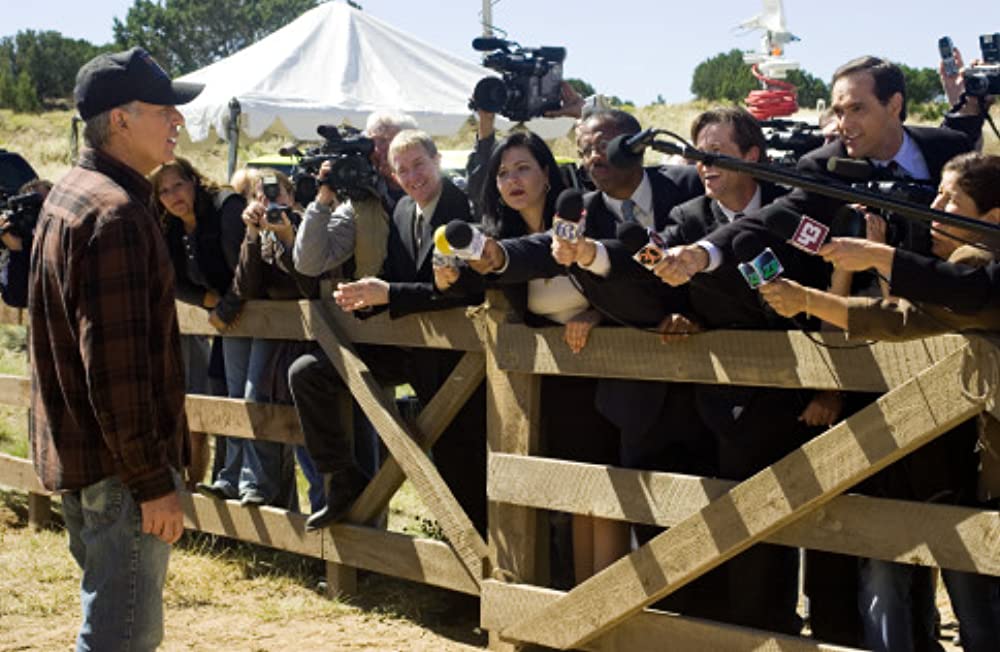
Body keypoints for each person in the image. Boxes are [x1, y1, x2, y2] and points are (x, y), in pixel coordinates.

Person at [760, 152, 1000, 652]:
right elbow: (904, 317)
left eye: (950, 200)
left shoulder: (976, 263)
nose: (933, 210)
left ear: (992, 219)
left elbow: (909, 315)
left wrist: (871, 262)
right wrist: (813, 296)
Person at [29, 46, 201, 651]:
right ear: (121, 120)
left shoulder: (71, 194)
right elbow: (115, 371)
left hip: (89, 466)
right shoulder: (116, 213)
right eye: (164, 110)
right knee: (120, 639)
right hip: (122, 475)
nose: (177, 122)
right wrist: (153, 481)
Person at [437, 129, 630, 583]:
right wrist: (442, 275)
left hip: (610, 372)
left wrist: (597, 318)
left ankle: (609, 608)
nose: (513, 180)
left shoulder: (585, 218)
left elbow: (626, 286)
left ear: (547, 173)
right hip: (556, 382)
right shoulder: (501, 238)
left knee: (607, 495)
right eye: (503, 173)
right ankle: (583, 603)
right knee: (577, 496)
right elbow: (464, 285)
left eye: (523, 168)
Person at [290, 128, 486, 532]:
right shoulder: (400, 212)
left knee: (461, 467)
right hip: (406, 349)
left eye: (419, 165)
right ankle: (344, 478)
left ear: (438, 160)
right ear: (392, 176)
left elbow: (465, 289)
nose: (413, 176)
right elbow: (393, 277)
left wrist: (387, 292)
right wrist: (363, 299)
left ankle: (477, 577)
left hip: (460, 360)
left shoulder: (465, 205)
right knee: (308, 372)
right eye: (403, 170)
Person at [656, 55, 977, 288]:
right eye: (838, 112)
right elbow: (769, 218)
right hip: (876, 315)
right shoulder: (824, 165)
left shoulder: (949, 147)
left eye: (857, 109)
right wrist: (702, 252)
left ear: (893, 105)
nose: (844, 125)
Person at [150, 157, 246, 495]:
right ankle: (227, 482)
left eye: (178, 184)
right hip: (226, 318)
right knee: (221, 395)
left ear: (194, 180)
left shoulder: (226, 206)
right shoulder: (171, 227)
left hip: (259, 315)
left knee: (249, 401)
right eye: (163, 191)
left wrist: (227, 305)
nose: (173, 195)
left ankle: (249, 486)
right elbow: (171, 277)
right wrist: (210, 302)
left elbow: (247, 269)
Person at [0, 178, 51, 308]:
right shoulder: (21, 238)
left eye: (39, 207)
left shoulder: (60, 239)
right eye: (27, 208)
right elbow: (17, 298)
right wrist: (16, 250)